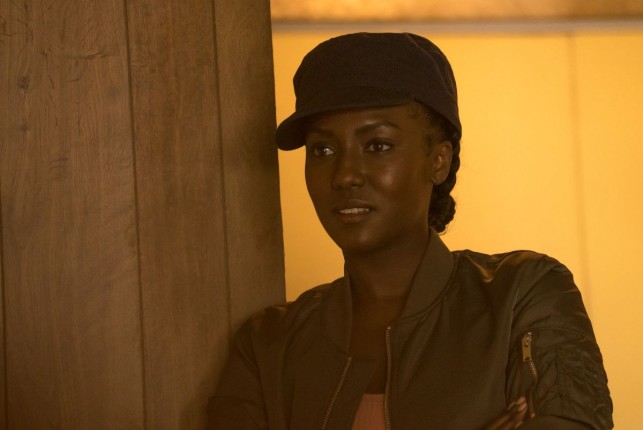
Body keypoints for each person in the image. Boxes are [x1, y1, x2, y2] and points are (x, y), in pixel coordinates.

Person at [210, 32, 612, 429]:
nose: (345, 175)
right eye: (323, 150)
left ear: (438, 161)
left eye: (377, 145)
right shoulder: (268, 344)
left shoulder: (523, 294)